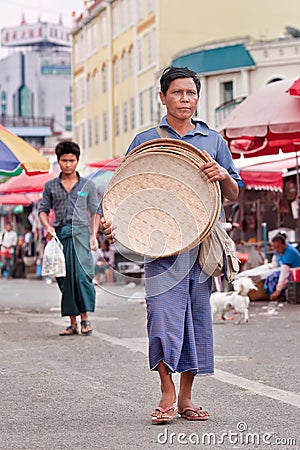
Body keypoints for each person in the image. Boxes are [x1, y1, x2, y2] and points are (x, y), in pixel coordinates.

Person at [101, 66, 241, 423]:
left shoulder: (213, 140)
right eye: (177, 93)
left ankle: (186, 399)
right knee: (162, 319)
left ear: (197, 97)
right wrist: (111, 222)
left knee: (196, 321)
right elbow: (126, 191)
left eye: (191, 93)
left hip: (201, 247)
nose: (185, 99)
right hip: (160, 246)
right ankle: (166, 391)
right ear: (162, 97)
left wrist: (222, 174)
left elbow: (235, 191)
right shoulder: (146, 139)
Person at [38, 141, 101, 336]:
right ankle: (72, 323)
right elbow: (42, 210)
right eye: (64, 160)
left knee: (82, 277)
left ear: (77, 161)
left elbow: (95, 211)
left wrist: (93, 235)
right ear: (58, 161)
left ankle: (85, 320)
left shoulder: (87, 185)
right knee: (65, 279)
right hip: (61, 236)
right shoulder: (50, 186)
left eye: (71, 160)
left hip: (81, 235)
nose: (67, 164)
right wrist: (47, 227)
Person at [264, 232, 300, 300]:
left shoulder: (289, 253)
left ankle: (280, 295)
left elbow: (284, 273)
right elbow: (275, 263)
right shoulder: (278, 251)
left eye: (278, 247)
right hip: (285, 272)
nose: (276, 250)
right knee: (270, 276)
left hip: (295, 276)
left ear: (284, 245)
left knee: (275, 278)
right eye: (274, 248)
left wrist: (278, 291)